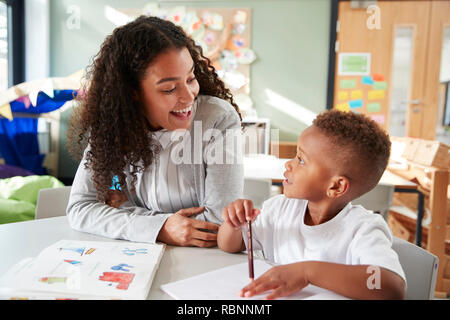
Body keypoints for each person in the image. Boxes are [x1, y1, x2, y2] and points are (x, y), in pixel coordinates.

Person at [66, 16, 244, 247]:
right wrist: (162, 227)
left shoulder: (217, 119)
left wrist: (123, 213)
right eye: (169, 88)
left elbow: (218, 223)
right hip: (133, 259)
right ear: (132, 92)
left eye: (191, 78)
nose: (189, 96)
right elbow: (81, 208)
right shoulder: (113, 127)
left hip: (201, 263)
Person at [217, 110, 406, 300]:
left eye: (301, 160)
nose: (288, 165)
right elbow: (230, 245)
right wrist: (233, 223)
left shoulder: (362, 229)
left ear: (336, 186)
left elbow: (392, 287)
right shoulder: (280, 209)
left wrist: (307, 272)